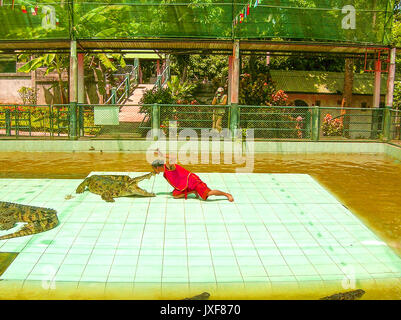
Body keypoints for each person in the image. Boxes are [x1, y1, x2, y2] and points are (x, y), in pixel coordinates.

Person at [151, 151, 234, 202]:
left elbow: (173, 157)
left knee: (207, 194)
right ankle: (193, 191)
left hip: (192, 181)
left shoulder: (169, 167)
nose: (154, 170)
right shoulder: (165, 173)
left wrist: (161, 154)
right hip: (185, 184)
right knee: (175, 195)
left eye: (154, 169)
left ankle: (226, 194)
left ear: (158, 167)